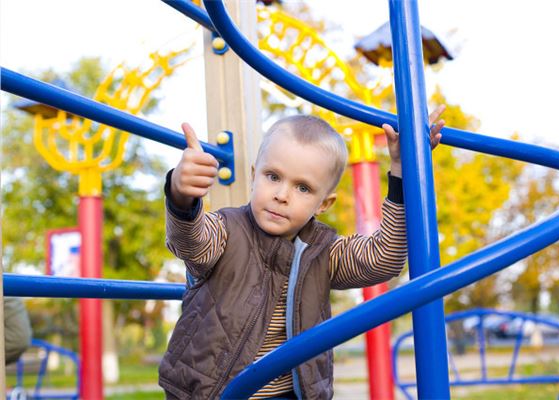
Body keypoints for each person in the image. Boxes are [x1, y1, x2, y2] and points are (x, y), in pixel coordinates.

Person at [158, 107, 445, 399]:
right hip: (211, 392)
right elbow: (191, 243)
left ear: (324, 203)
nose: (282, 195)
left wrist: (402, 173)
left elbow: (383, 258)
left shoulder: (324, 252)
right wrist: (182, 196)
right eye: (273, 176)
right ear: (255, 176)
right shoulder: (226, 231)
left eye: (303, 188)